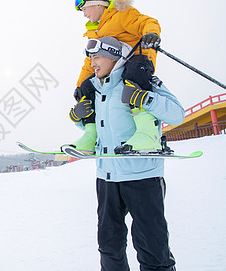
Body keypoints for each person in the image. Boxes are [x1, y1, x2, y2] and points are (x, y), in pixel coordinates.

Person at [71, 36, 184, 270]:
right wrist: (78, 118)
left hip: (142, 177)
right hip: (107, 179)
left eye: (97, 57)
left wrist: (146, 98)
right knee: (109, 246)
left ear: (113, 57)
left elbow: (177, 114)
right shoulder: (94, 87)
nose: (92, 63)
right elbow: (101, 130)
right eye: (90, 58)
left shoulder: (141, 80)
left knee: (152, 248)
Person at [70, 0, 162, 153]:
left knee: (132, 73)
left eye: (85, 9)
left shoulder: (120, 14)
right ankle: (91, 135)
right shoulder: (94, 31)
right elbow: (89, 61)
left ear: (97, 4)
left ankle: (149, 132)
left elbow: (147, 22)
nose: (84, 14)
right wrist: (79, 84)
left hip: (137, 61)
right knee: (87, 86)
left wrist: (151, 34)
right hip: (113, 68)